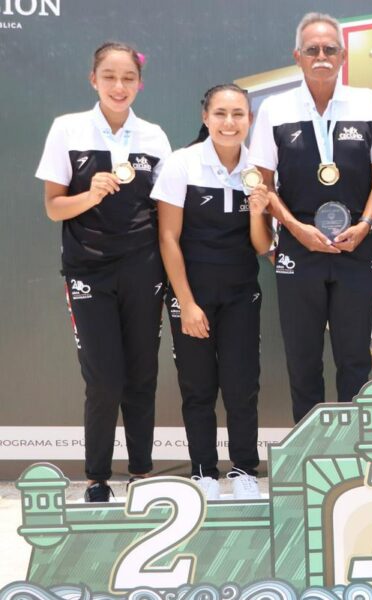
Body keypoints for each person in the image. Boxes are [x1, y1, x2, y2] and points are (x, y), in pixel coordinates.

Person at [35, 42, 171, 503]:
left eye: (128, 78)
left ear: (139, 84)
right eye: (109, 77)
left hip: (144, 270)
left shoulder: (153, 136)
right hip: (88, 272)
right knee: (103, 379)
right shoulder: (68, 129)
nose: (119, 86)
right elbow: (54, 208)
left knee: (141, 376)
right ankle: (96, 478)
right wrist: (90, 195)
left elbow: (167, 213)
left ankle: (141, 473)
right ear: (93, 80)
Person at [249, 12, 372, 422]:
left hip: (356, 243)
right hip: (299, 246)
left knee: (354, 361)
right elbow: (263, 185)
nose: (322, 56)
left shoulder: (368, 104)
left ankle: (351, 454)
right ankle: (308, 454)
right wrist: (295, 228)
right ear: (298, 56)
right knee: (303, 360)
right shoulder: (276, 109)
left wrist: (365, 225)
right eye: (312, 49)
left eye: (330, 49)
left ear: (343, 56)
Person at [152, 84, 272, 500]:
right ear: (206, 117)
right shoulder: (182, 164)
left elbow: (261, 246)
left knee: (242, 386)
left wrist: (259, 211)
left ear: (250, 120)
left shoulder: (257, 169)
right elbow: (168, 238)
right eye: (220, 114)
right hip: (192, 295)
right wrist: (186, 303)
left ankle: (244, 471)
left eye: (238, 114)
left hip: (242, 292)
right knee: (198, 387)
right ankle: (203, 471)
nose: (229, 122)